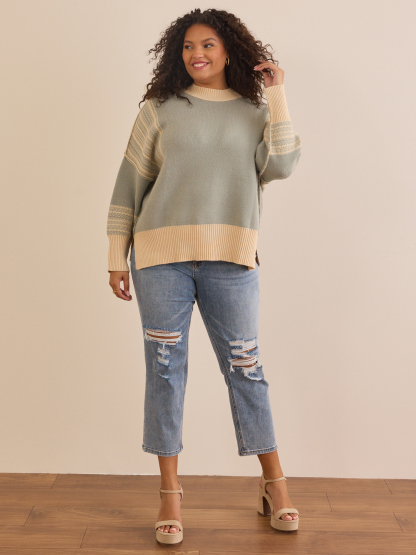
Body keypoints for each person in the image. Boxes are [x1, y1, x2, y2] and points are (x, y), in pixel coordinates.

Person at [107, 8, 302, 545]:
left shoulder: (254, 111)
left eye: (209, 44)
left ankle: (275, 484)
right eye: (189, 46)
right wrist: (115, 255)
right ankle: (169, 494)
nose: (197, 54)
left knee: (246, 369)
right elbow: (129, 185)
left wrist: (277, 93)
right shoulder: (158, 110)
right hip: (159, 259)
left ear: (229, 50)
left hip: (231, 259)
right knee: (165, 372)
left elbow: (282, 165)